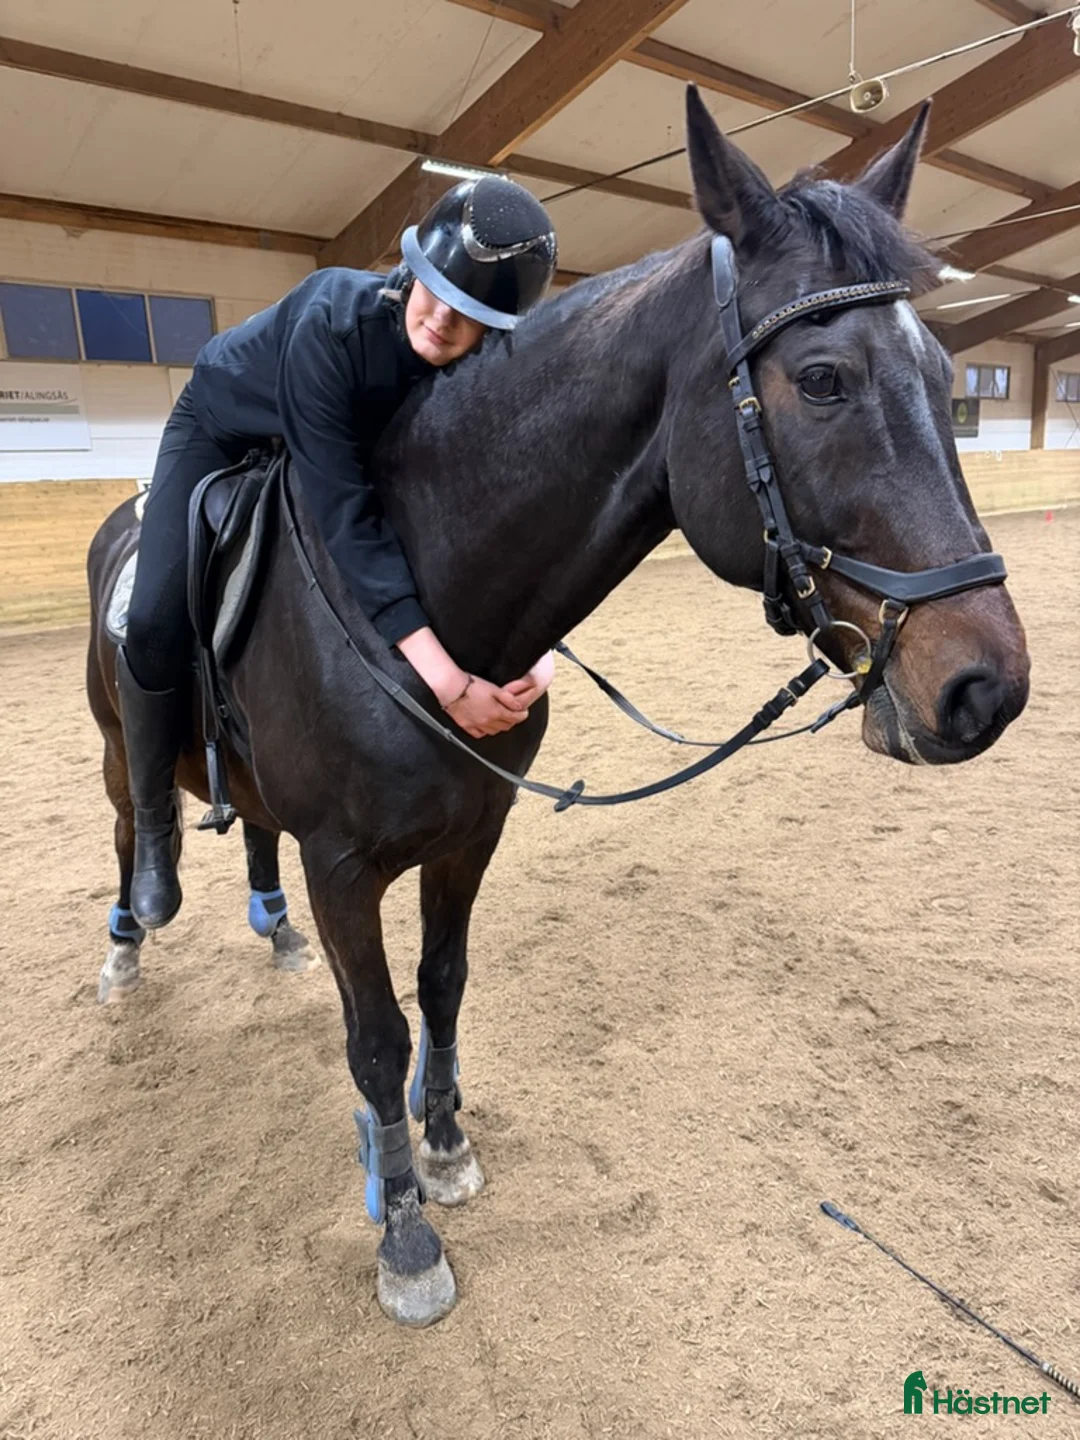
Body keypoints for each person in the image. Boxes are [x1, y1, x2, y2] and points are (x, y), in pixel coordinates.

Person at [118, 176, 559, 931]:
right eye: (434, 290)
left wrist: (539, 648)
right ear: (413, 268)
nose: (443, 318)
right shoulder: (333, 321)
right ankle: (154, 821)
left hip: (341, 440)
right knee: (155, 617)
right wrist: (450, 683)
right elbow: (346, 516)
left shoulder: (483, 369)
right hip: (225, 423)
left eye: (473, 314)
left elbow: (502, 507)